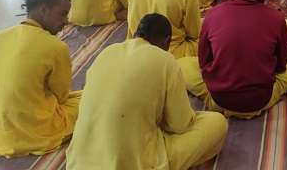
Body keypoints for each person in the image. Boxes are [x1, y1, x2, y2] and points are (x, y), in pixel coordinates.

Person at [66, 13, 227, 170]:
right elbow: (180, 125)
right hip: (136, 163)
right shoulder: (165, 60)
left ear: (135, 33)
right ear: (166, 42)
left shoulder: (106, 52)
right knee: (217, 123)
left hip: (79, 163)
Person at [178, 0, 287, 117]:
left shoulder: (213, 14)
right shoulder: (276, 18)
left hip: (218, 99)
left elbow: (203, 62)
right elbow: (281, 66)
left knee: (182, 63)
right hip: (260, 100)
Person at [0, 0, 80, 157]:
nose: (66, 21)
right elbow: (62, 96)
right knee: (92, 100)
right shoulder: (55, 47)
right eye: (63, 14)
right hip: (36, 133)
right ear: (44, 10)